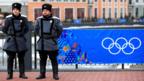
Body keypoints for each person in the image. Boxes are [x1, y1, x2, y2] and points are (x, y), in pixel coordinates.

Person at [34, 3, 63, 80]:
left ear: (50, 11)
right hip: (42, 43)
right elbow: (36, 30)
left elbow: (60, 30)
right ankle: (42, 74)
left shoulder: (56, 20)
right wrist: (41, 35)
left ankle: (55, 74)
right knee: (42, 60)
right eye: (43, 10)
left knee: (53, 59)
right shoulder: (38, 19)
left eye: (47, 10)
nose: (45, 12)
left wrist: (54, 37)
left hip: (52, 43)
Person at [2, 2, 29, 80]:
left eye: (17, 10)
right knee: (10, 58)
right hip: (11, 41)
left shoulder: (23, 18)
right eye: (14, 9)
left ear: (20, 10)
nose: (15, 11)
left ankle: (22, 73)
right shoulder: (8, 18)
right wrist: (10, 34)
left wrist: (21, 34)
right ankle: (9, 74)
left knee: (21, 58)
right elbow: (4, 29)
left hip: (20, 40)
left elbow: (26, 28)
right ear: (12, 10)